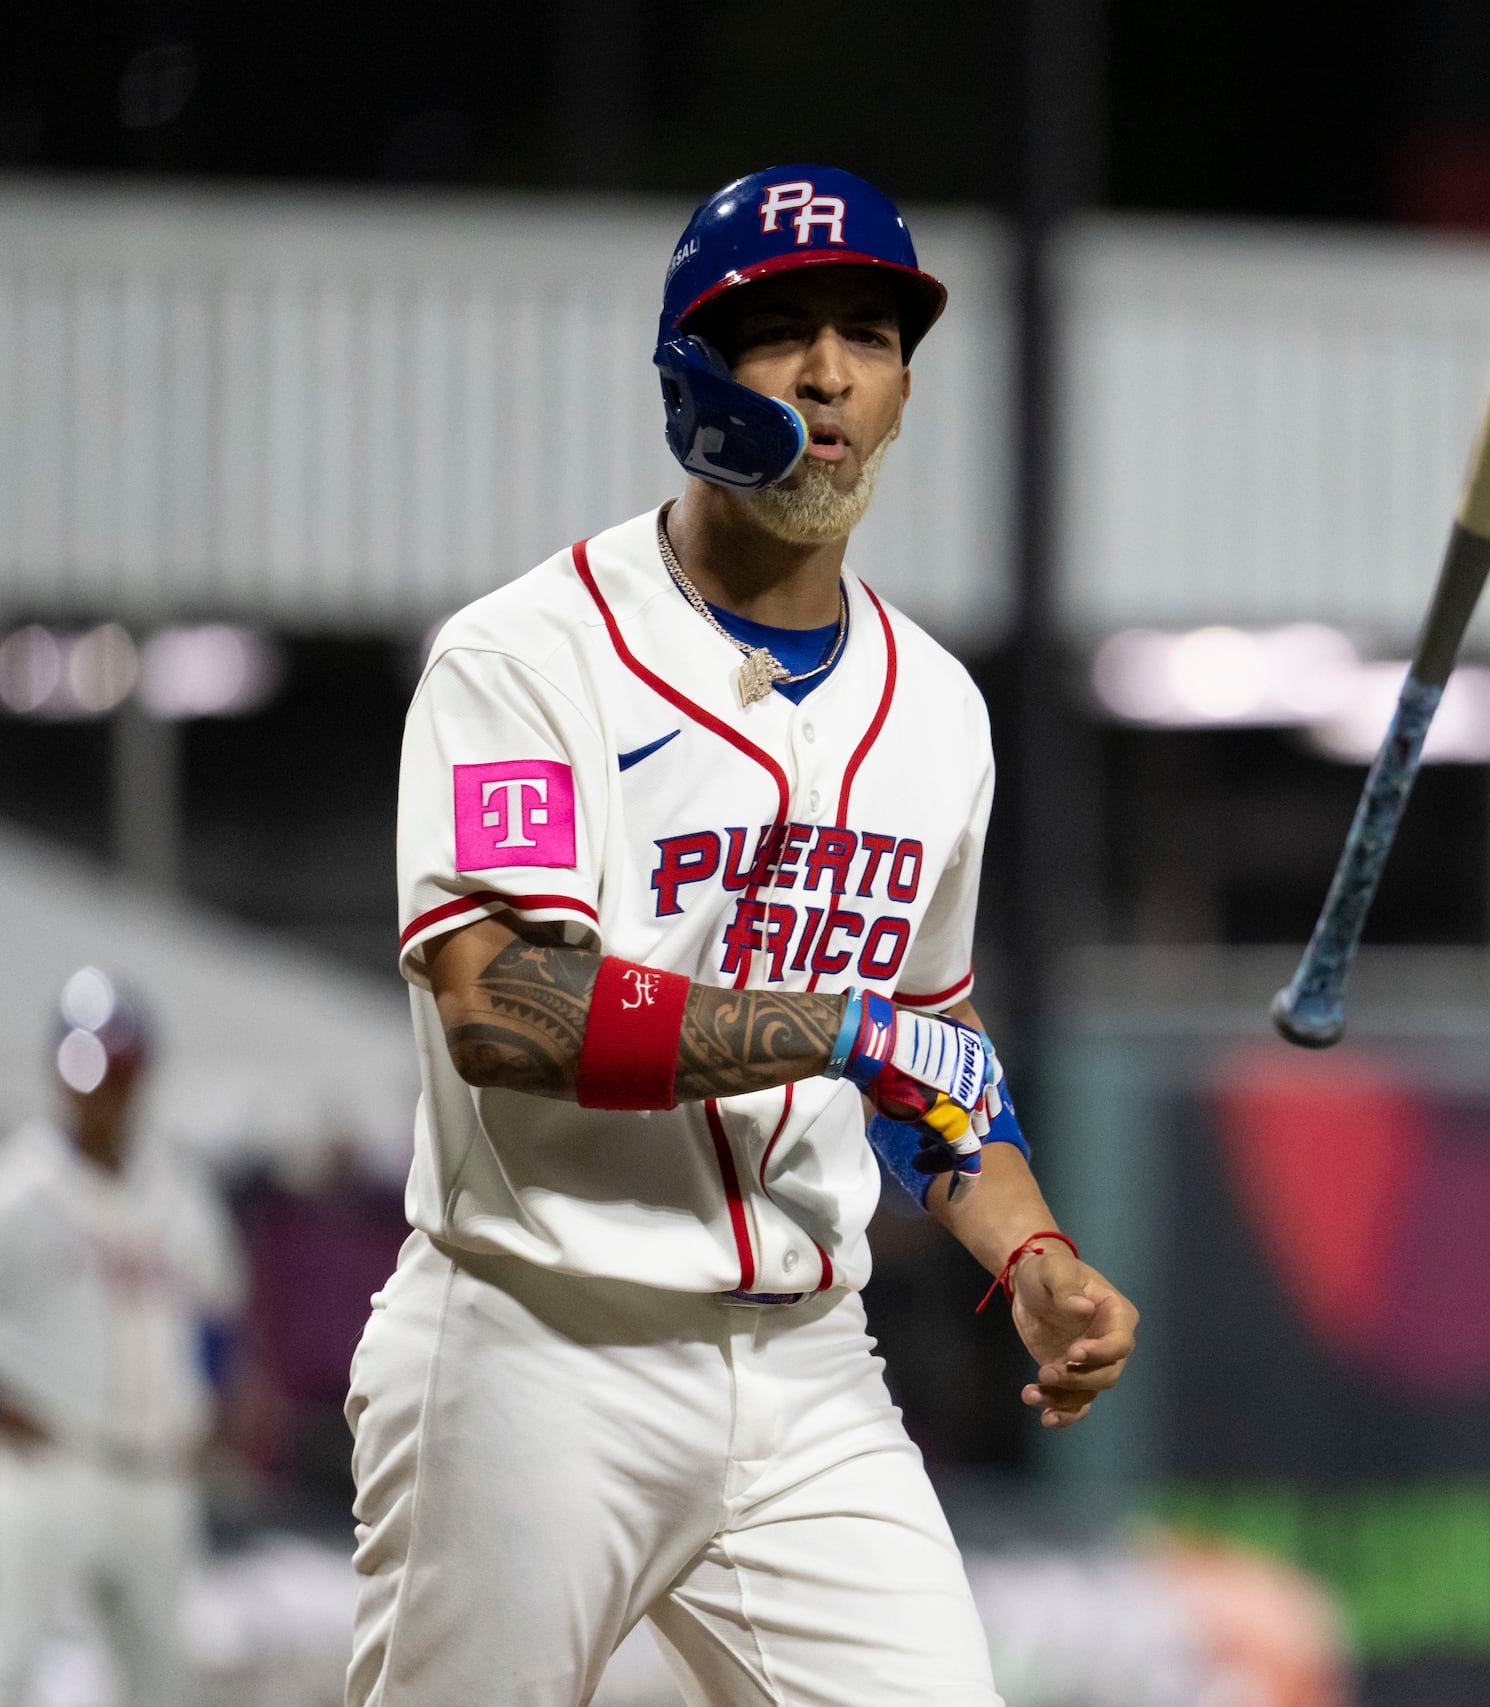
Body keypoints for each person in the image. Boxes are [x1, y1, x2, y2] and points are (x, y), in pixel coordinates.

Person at [348, 165, 1141, 1707]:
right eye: (780, 331)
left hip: (803, 1366)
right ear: (693, 373)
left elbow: (935, 1055)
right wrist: (833, 1028)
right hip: (534, 1340)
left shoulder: (940, 710)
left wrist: (1031, 1249)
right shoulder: (528, 655)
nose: (830, 373)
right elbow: (507, 1011)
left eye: (869, 332)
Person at [0, 969, 244, 1707]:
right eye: (89, 1068)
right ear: (60, 1073)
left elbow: (221, 1304)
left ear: (142, 1074)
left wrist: (203, 1401)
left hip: (155, 1470)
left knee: (167, 1680)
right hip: (46, 1463)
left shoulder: (178, 1185)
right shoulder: (16, 1183)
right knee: (5, 1671)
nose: (102, 1090)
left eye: (119, 1069)